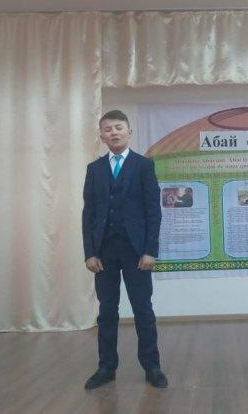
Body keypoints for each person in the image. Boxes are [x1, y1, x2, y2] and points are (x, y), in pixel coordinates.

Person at [82, 110, 168, 390]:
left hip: (136, 251)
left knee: (143, 309)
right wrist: (90, 253)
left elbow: (153, 211)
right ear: (101, 136)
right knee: (107, 311)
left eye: (119, 127)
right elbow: (89, 213)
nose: (114, 133)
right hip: (104, 251)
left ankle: (152, 366)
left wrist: (150, 250)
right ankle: (106, 367)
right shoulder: (94, 169)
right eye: (108, 129)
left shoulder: (144, 165)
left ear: (129, 132)